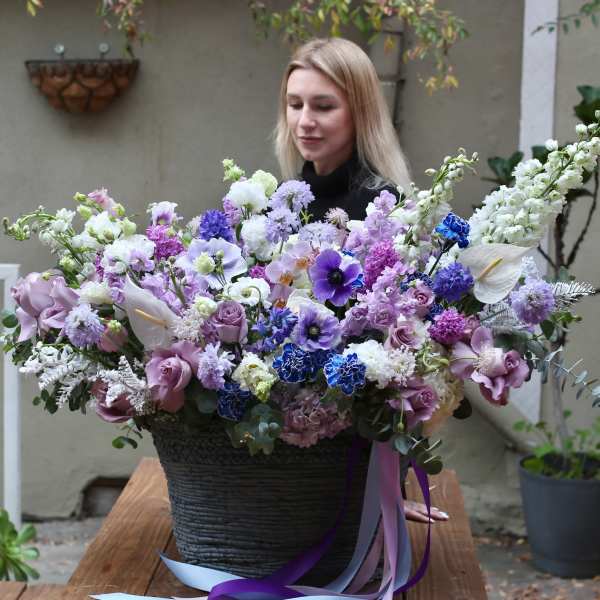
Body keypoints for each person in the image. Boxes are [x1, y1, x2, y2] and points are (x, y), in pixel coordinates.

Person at [274, 37, 448, 524]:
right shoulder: (284, 200)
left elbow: (399, 361)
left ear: (360, 112)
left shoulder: (383, 210)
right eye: (295, 104)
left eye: (323, 106)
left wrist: (386, 485)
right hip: (288, 463)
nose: (304, 121)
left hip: (346, 466)